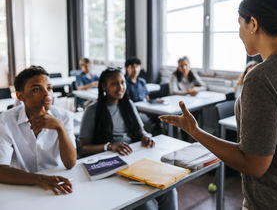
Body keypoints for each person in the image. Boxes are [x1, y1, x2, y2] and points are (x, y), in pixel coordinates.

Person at [160, 0, 277, 210]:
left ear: (253, 23)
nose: (239, 33)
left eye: (239, 24)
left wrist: (195, 132)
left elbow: (254, 165)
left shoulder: (262, 78)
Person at [79, 67, 177, 210]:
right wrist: (109, 146)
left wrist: (145, 137)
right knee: (146, 205)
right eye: (114, 84)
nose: (121, 87)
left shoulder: (128, 104)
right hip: (112, 166)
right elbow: (83, 147)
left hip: (136, 159)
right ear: (104, 86)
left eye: (123, 82)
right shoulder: (92, 110)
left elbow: (141, 131)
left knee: (170, 191)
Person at [0, 66, 77, 195]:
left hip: (57, 184)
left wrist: (60, 128)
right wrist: (40, 179)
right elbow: (1, 171)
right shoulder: (5, 121)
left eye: (49, 88)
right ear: (20, 96)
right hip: (20, 187)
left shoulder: (64, 117)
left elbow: (70, 163)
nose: (47, 94)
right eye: (37, 89)